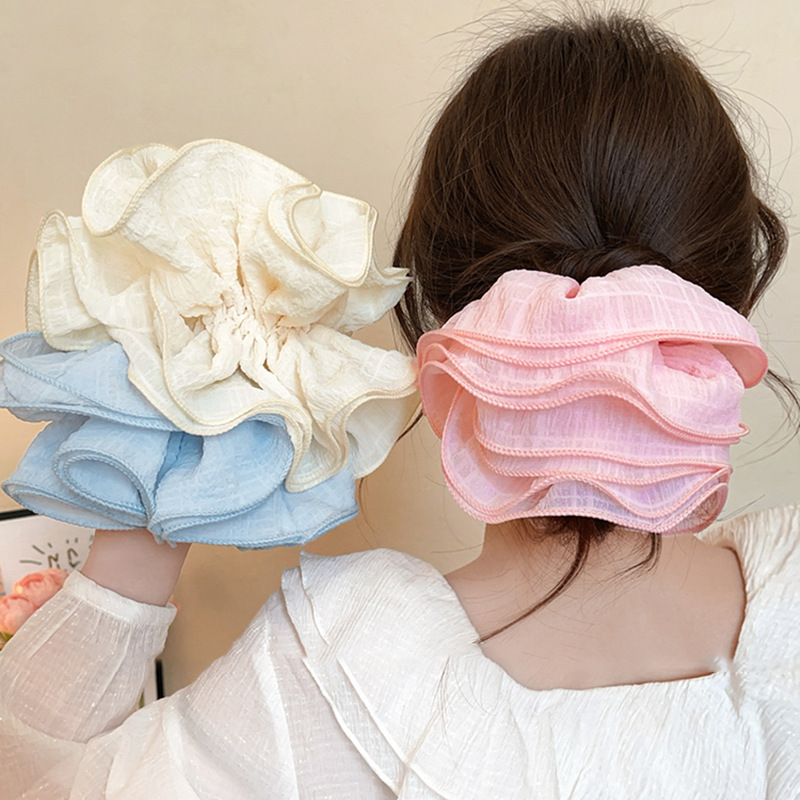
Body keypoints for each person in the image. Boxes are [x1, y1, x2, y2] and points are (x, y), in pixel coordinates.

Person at [0, 11, 798, 799]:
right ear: (726, 304)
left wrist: (153, 489)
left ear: (431, 307)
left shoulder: (327, 677)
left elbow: (39, 785)